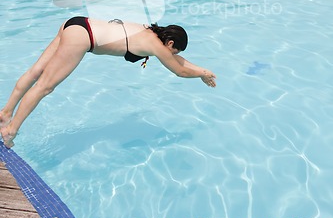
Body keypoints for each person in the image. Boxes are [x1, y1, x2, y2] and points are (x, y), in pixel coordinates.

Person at [0, 17, 217, 148]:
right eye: (174, 49)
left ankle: (6, 113)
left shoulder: (149, 31)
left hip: (76, 23)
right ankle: (10, 131)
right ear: (170, 43)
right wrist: (201, 74)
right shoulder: (156, 46)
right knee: (45, 86)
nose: (172, 54)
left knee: (36, 72)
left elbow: (175, 59)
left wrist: (202, 69)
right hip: (83, 38)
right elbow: (178, 70)